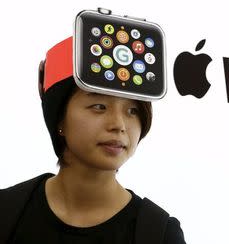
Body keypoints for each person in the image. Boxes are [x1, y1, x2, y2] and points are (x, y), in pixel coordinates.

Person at [0, 38, 186, 243]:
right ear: (59, 117)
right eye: (99, 106)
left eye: (132, 110)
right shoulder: (7, 211)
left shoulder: (159, 234)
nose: (119, 124)